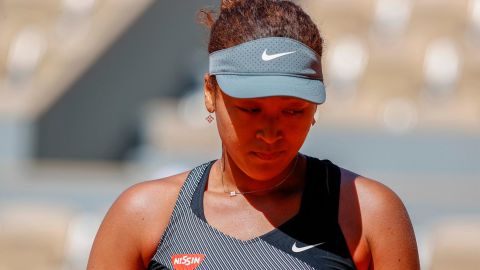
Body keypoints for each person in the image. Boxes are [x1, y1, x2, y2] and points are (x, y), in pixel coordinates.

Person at [87, 0, 420, 269]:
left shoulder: (369, 213)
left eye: (293, 111)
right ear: (209, 92)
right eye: (250, 109)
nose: (271, 132)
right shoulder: (142, 215)